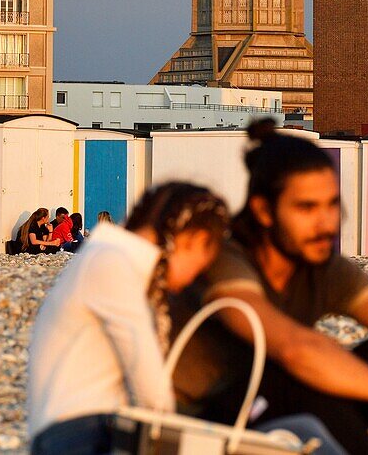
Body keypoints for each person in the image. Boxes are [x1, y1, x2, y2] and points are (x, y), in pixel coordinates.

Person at [173, 120, 368, 455]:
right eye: (306, 208)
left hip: (277, 414)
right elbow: (295, 348)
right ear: (264, 211)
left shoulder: (320, 265)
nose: (326, 223)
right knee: (296, 377)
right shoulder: (224, 259)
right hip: (203, 428)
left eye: (331, 204)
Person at [28, 182, 345, 455]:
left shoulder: (105, 257)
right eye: (202, 262)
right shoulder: (113, 264)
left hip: (87, 431)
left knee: (296, 429)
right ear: (189, 239)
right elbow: (150, 386)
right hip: (84, 437)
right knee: (301, 433)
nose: (195, 277)